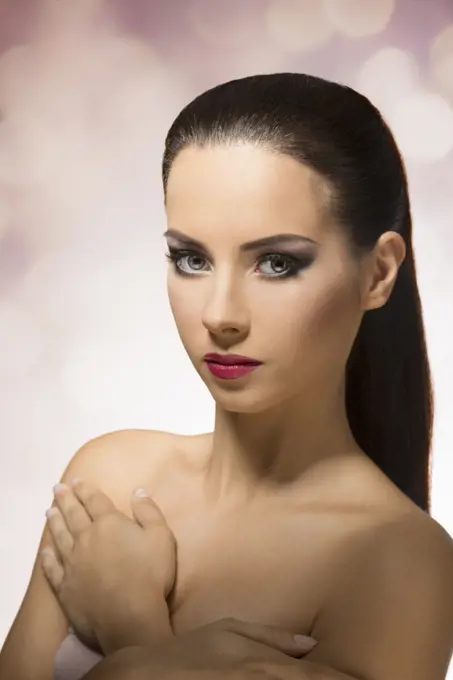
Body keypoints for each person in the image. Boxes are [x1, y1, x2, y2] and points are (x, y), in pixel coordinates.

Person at [1, 72, 453, 680]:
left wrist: (136, 639)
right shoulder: (108, 476)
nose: (220, 315)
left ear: (377, 273)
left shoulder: (401, 563)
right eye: (191, 259)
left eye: (275, 263)